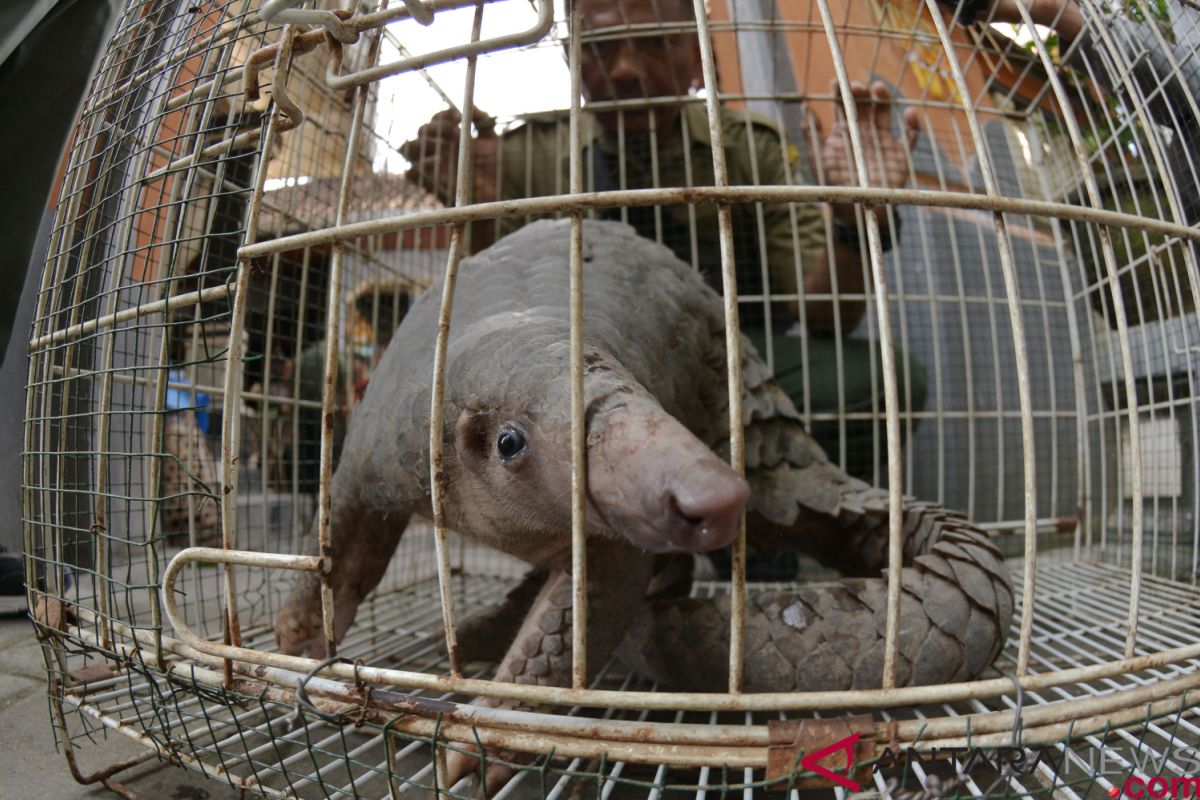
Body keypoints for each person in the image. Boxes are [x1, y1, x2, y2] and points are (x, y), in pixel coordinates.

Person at [402, 0, 927, 485]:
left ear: (697, 57)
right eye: (601, 48)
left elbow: (825, 314)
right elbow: (506, 321)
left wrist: (855, 217)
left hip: (737, 366)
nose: (626, 69)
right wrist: (476, 211)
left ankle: (765, 522)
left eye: (654, 43)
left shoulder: (746, 148)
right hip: (586, 376)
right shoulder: (528, 155)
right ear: (571, 58)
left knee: (881, 381)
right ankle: (605, 545)